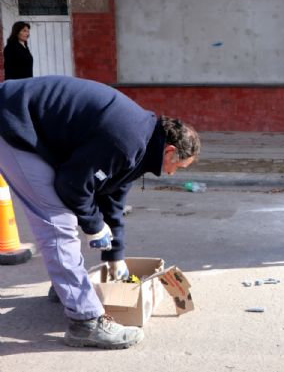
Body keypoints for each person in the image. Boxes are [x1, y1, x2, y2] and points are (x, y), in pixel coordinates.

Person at [0, 76, 200, 349]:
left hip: (22, 118)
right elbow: (72, 185)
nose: (173, 173)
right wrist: (94, 225)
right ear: (170, 150)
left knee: (66, 214)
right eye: (178, 166)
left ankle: (68, 289)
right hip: (12, 122)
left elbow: (112, 201)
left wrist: (114, 257)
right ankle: (86, 322)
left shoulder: (141, 143)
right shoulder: (126, 141)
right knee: (58, 221)